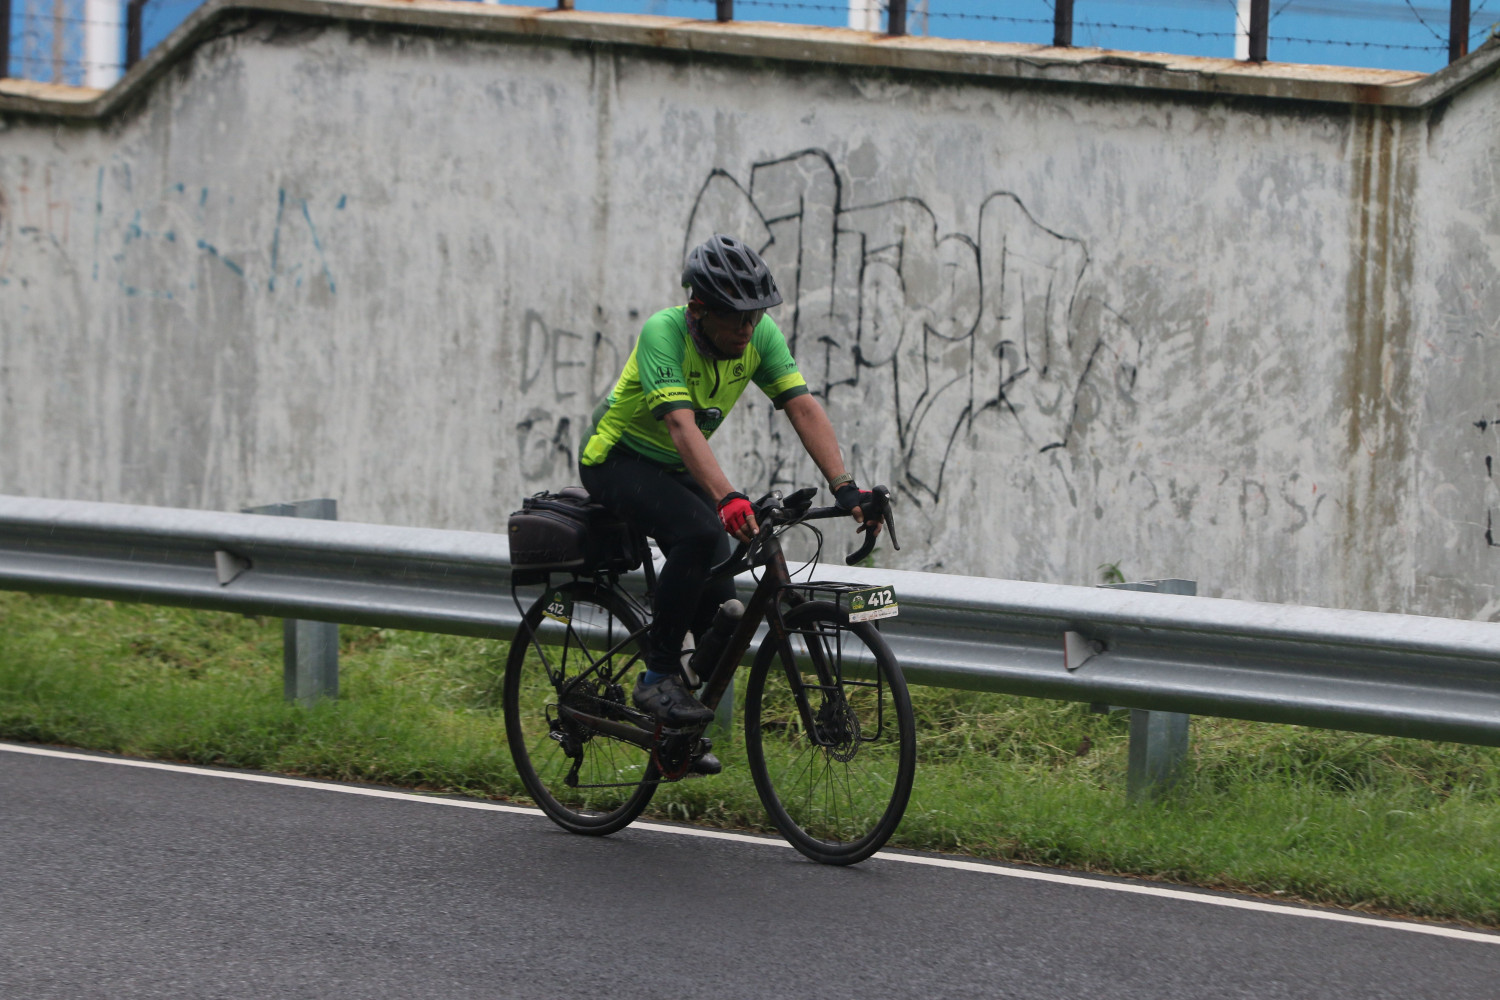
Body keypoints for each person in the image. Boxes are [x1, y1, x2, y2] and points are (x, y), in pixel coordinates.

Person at [578, 233, 881, 749]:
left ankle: (674, 736)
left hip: (676, 466)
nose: (748, 328)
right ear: (699, 310)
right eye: (736, 316)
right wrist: (725, 497)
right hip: (617, 459)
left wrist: (846, 487)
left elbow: (802, 406)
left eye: (755, 315)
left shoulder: (759, 337)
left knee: (724, 610)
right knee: (699, 533)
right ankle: (656, 677)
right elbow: (681, 425)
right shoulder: (663, 333)